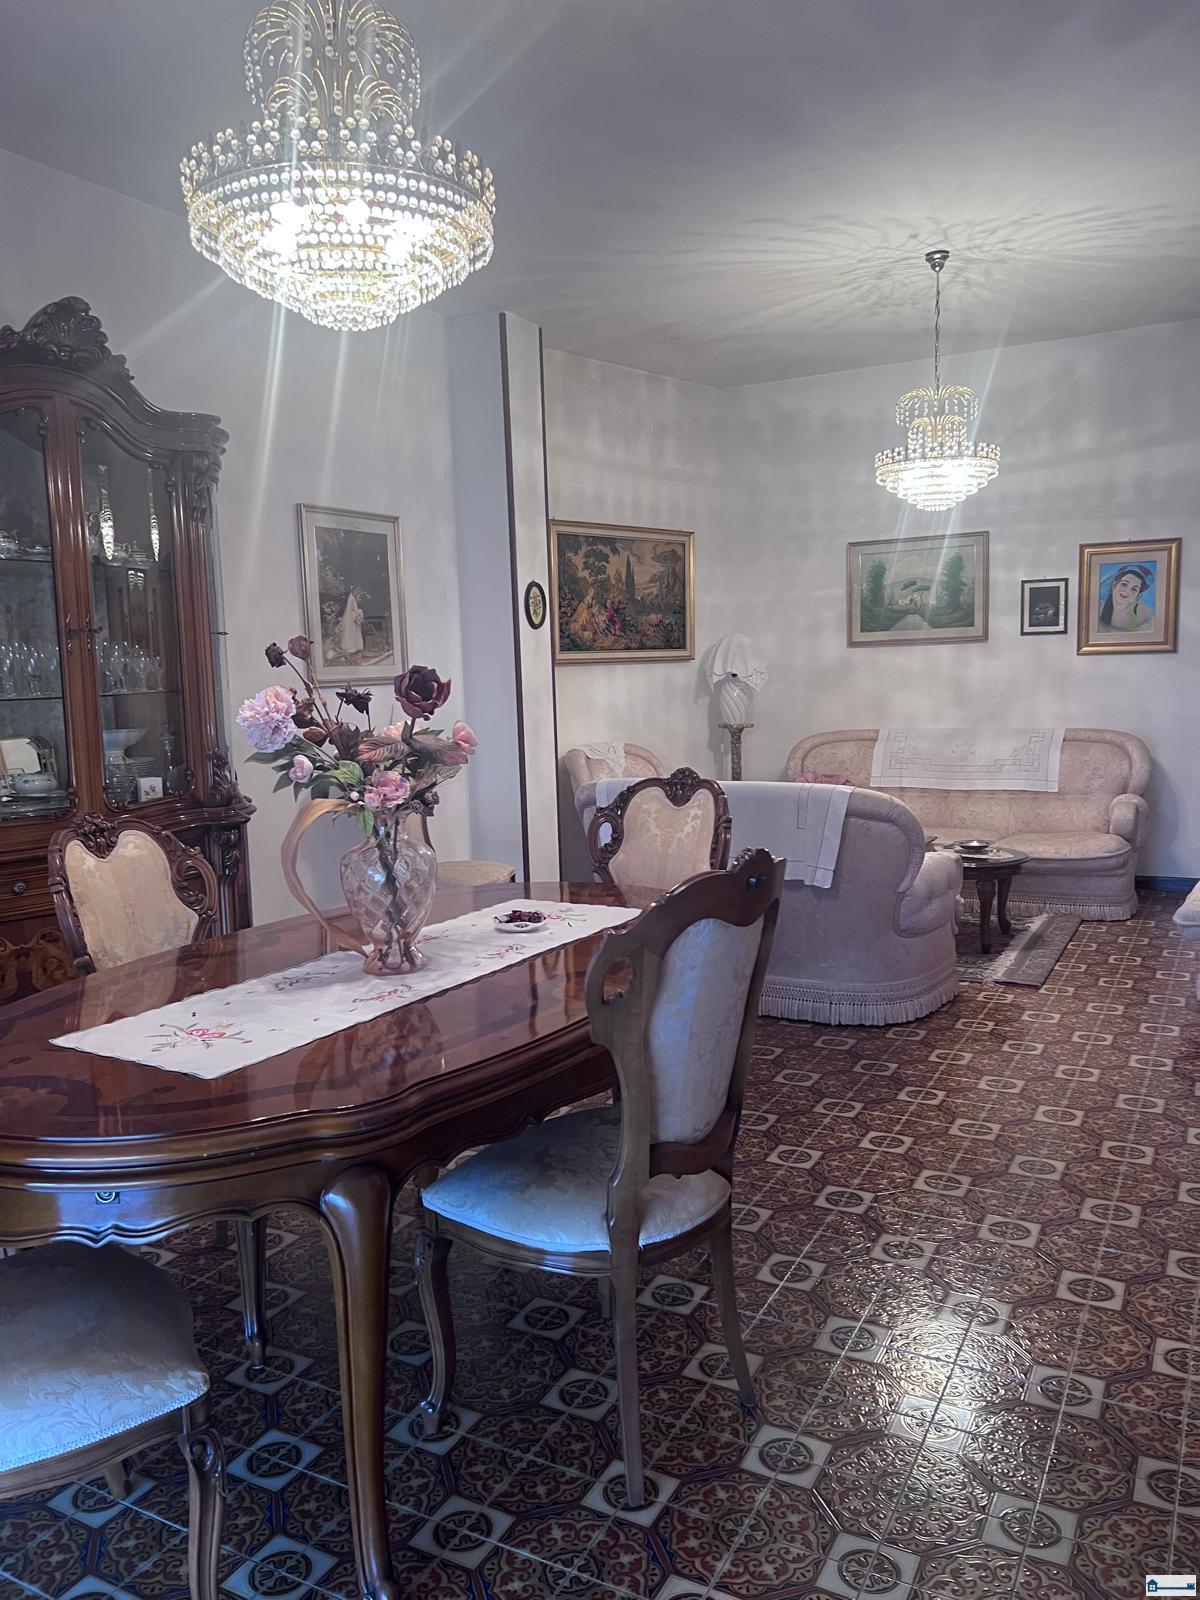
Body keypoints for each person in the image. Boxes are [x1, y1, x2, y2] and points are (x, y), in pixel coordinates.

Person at [1099, 565, 1155, 632]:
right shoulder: (1098, 610)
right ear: (1114, 585)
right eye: (1124, 584)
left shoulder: (1144, 613)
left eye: (1134, 589)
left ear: (1138, 595)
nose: (1127, 591)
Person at [339, 587, 365, 658]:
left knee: (353, 632)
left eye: (357, 591)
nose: (356, 592)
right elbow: (353, 609)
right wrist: (359, 612)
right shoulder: (352, 599)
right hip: (352, 618)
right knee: (352, 632)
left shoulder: (351, 598)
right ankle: (352, 647)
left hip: (351, 617)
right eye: (355, 591)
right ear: (353, 591)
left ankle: (354, 646)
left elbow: (351, 609)